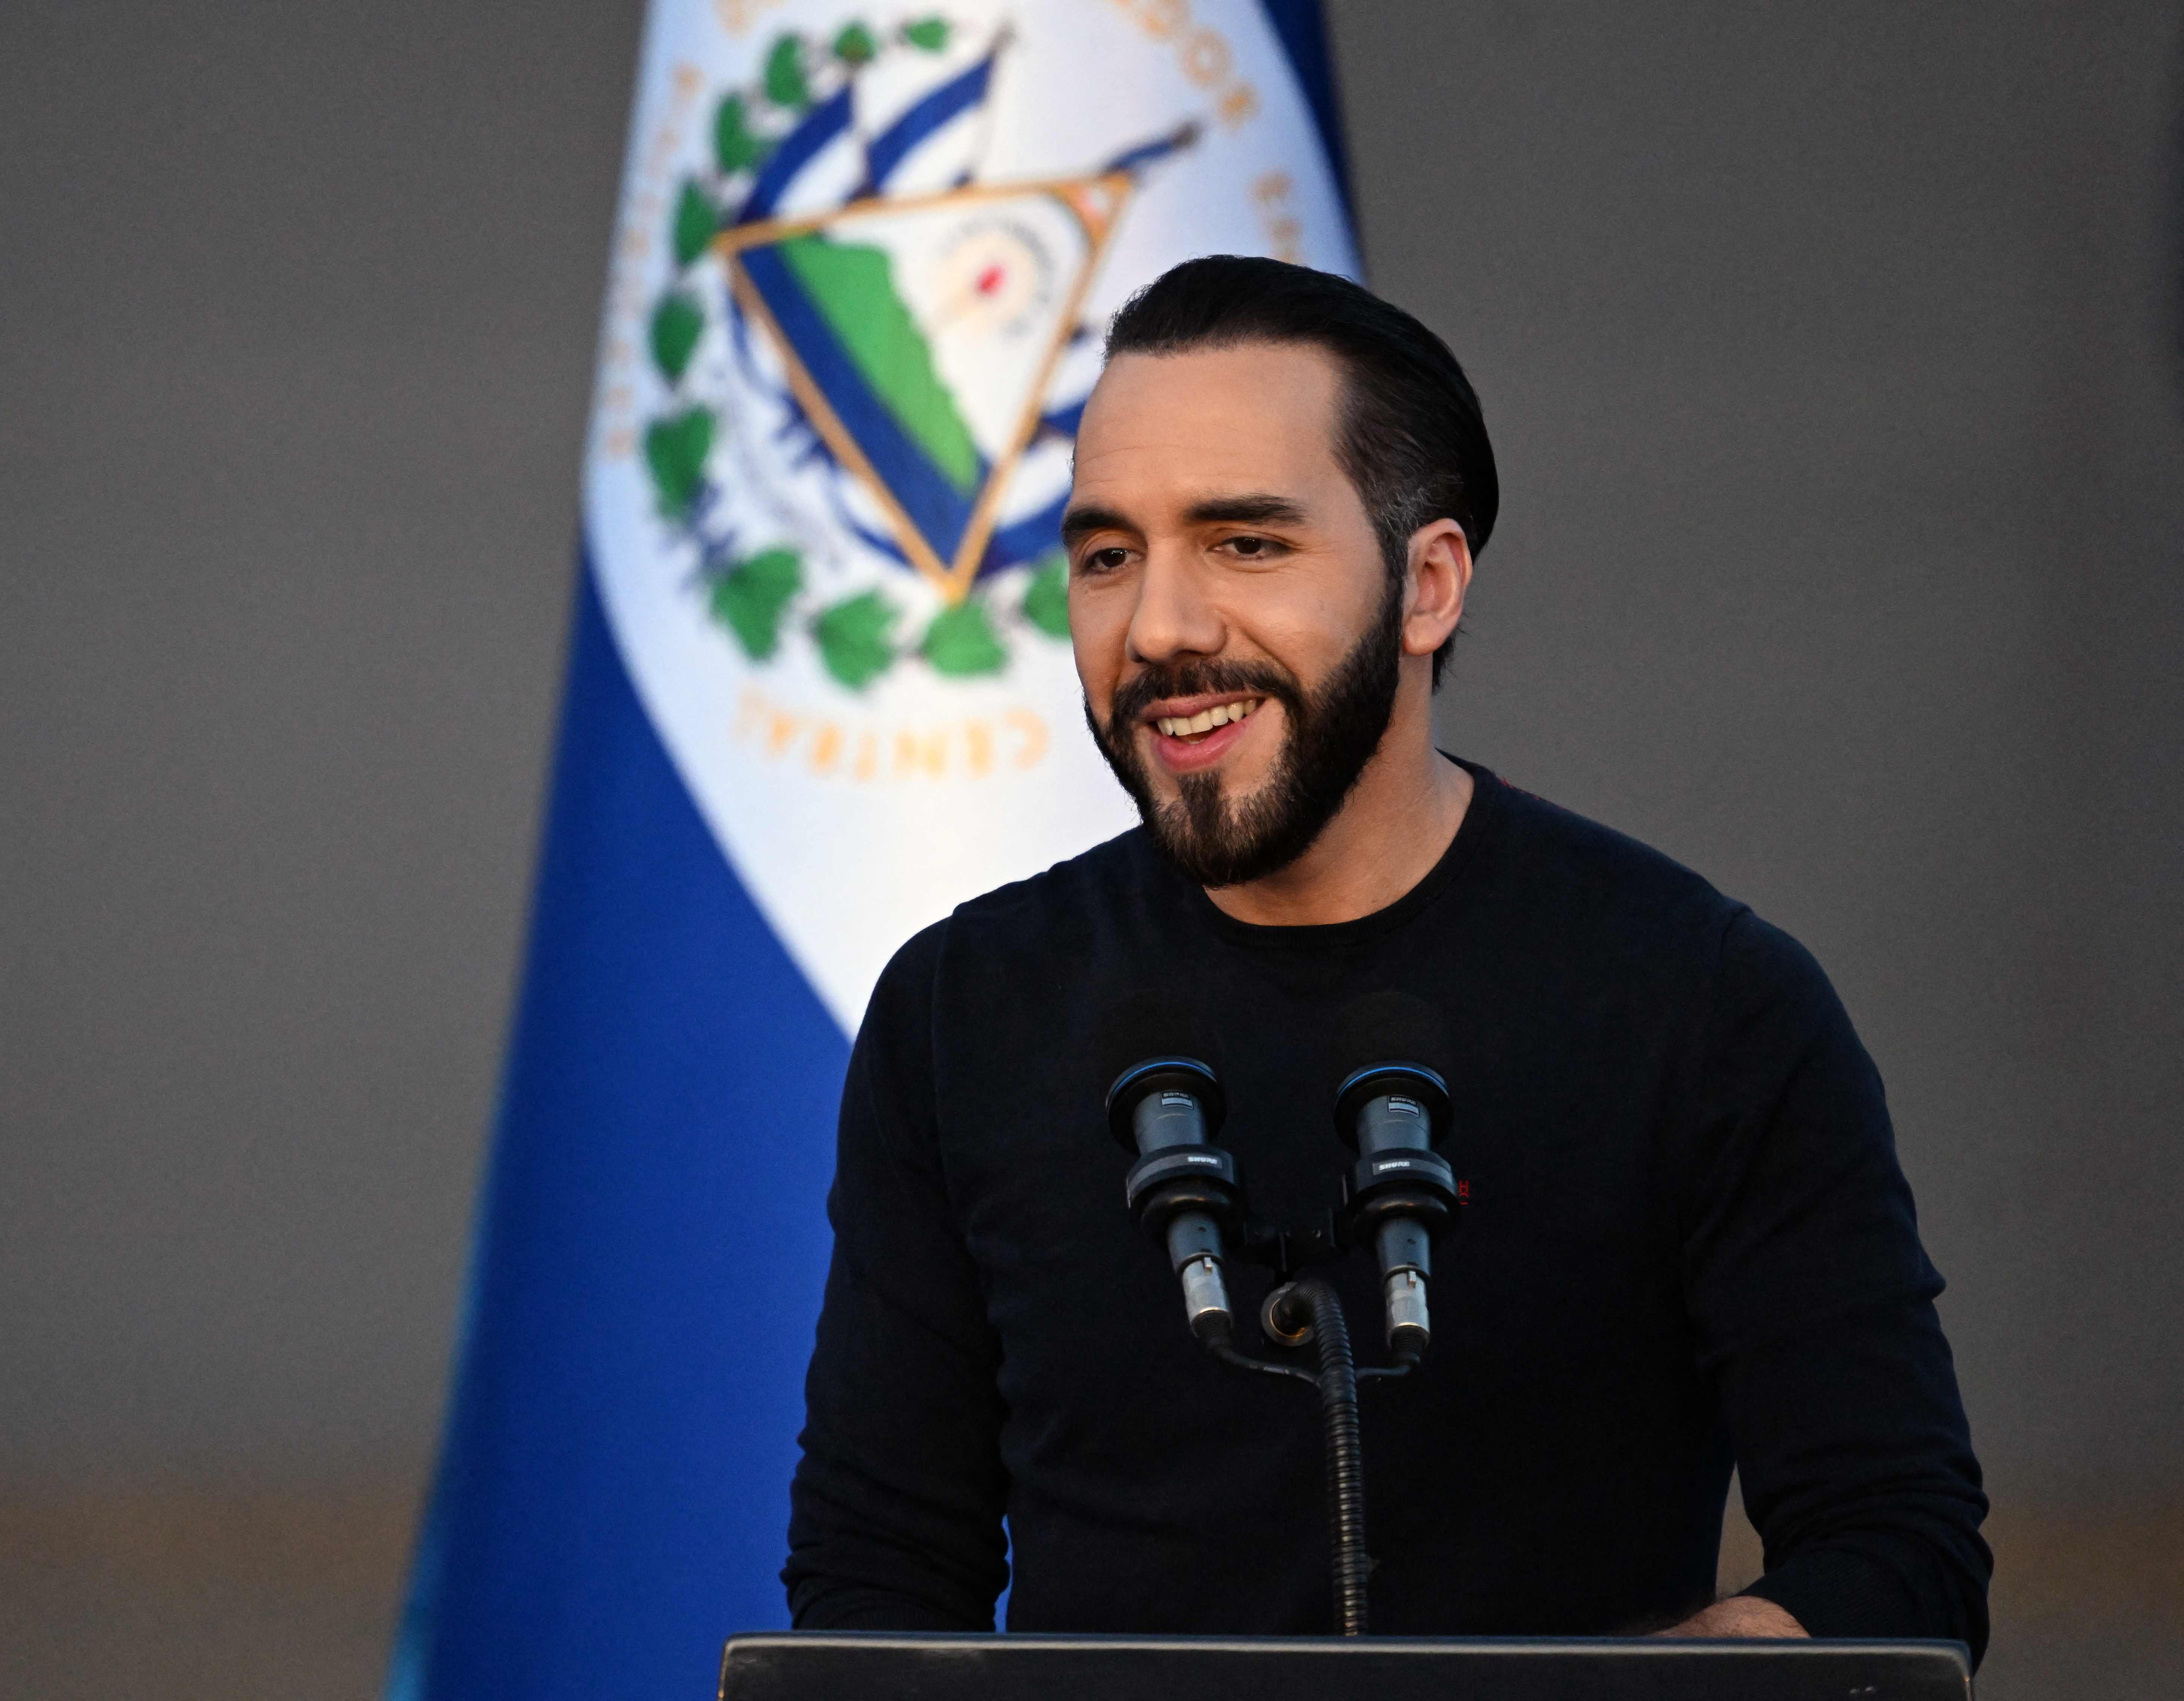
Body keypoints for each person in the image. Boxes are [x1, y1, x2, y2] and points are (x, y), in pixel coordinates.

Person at [780, 256, 1990, 1653]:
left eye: (1245, 543)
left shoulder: (1704, 1005)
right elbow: (874, 1579)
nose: (1160, 627)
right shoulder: (963, 1010)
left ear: (1427, 586)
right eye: (1109, 554)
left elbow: (1895, 1554)